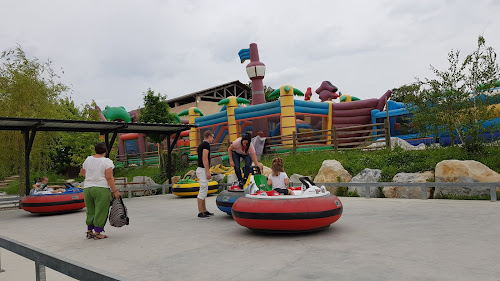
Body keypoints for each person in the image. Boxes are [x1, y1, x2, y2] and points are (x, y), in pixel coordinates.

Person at [80, 142, 121, 240]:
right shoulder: (107, 162)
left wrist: (91, 177)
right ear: (105, 151)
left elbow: (82, 172)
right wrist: (115, 191)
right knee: (101, 210)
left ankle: (90, 231)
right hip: (101, 188)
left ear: (95, 150)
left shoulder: (88, 159)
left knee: (90, 210)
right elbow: (109, 177)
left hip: (88, 188)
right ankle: (98, 233)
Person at [197, 130, 215, 218]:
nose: (213, 139)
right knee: (203, 190)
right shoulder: (206, 145)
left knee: (204, 190)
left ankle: (204, 210)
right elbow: (205, 158)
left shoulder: (201, 145)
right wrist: (208, 171)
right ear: (208, 136)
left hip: (201, 169)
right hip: (202, 169)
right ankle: (200, 212)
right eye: (212, 137)